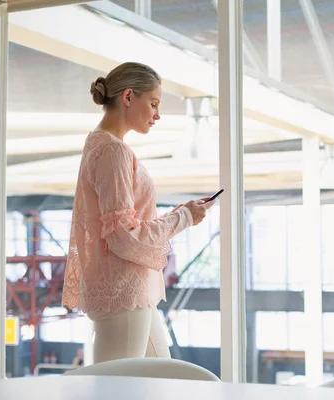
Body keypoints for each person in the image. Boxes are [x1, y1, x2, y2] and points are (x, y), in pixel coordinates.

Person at [61, 62, 214, 364]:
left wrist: (181, 213)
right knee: (120, 389)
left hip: (131, 293)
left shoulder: (98, 143)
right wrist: (183, 218)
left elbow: (121, 224)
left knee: (159, 380)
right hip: (122, 293)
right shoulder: (112, 150)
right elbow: (123, 236)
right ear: (128, 97)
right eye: (154, 104)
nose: (158, 115)